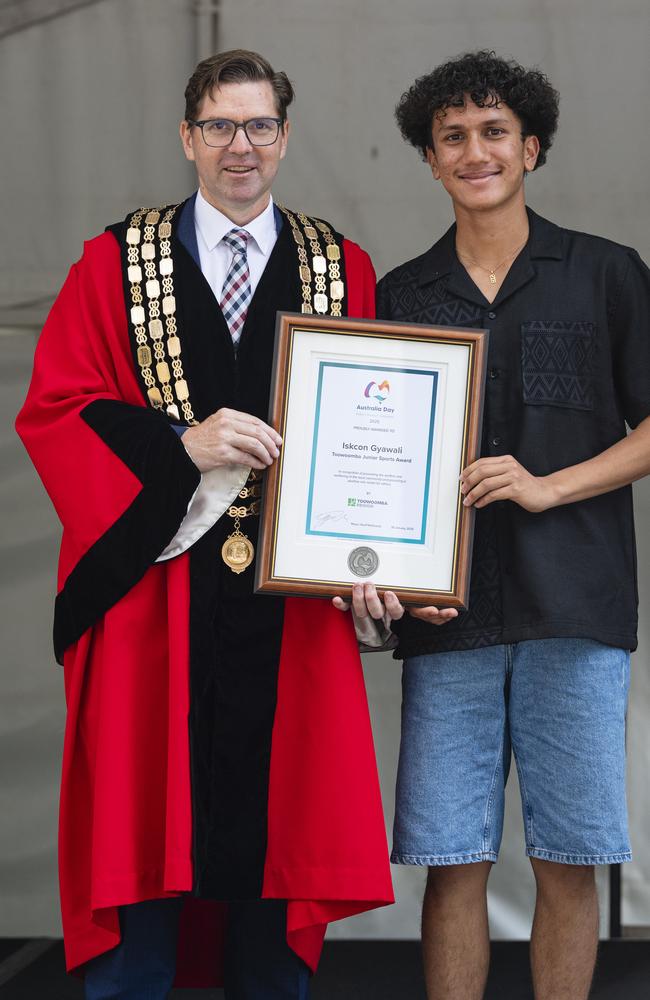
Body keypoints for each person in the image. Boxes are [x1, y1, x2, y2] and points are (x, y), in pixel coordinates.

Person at [16, 49, 393, 999]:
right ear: (188, 138)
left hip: (289, 603)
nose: (241, 147)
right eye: (220, 126)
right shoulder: (117, 259)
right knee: (149, 823)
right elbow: (59, 409)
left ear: (285, 137)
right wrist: (182, 445)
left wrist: (379, 557)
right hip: (157, 597)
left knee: (280, 829)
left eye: (259, 126)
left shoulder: (340, 267)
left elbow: (375, 443)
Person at [367, 50, 650, 1000]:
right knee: (453, 860)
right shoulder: (400, 295)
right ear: (431, 160)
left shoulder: (608, 273)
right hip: (447, 615)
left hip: (577, 608)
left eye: (494, 132)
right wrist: (375, 563)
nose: (475, 150)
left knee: (572, 857)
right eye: (453, 137)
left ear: (531, 147)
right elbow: (373, 462)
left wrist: (550, 486)